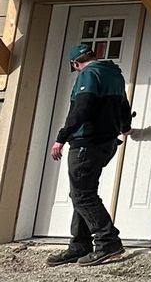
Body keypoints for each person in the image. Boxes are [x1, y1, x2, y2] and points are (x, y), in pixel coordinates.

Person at [45, 42, 134, 267]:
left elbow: (81, 108)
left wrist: (61, 137)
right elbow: (124, 105)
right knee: (81, 192)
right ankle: (80, 245)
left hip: (86, 143)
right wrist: (124, 126)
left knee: (83, 195)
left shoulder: (89, 74)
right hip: (106, 143)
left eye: (74, 67)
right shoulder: (115, 76)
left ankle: (107, 241)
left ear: (76, 63)